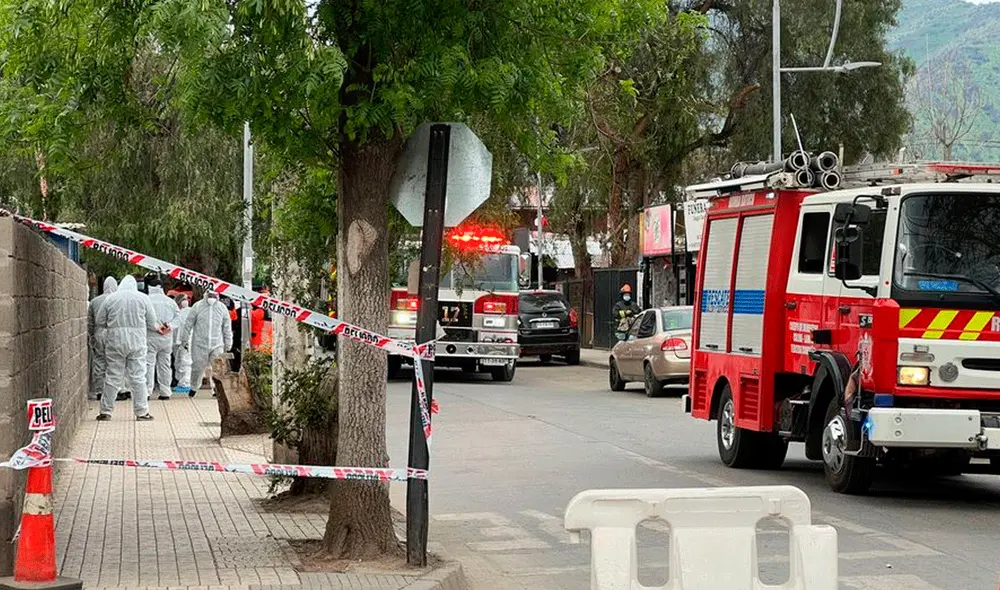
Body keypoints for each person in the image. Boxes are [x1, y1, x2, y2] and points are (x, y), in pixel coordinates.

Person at [96, 275, 167, 421]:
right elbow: (152, 321)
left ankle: (105, 411)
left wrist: (113, 326)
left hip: (114, 341)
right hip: (137, 341)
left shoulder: (111, 298)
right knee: (138, 377)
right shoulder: (143, 298)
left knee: (113, 376)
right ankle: (142, 412)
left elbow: (99, 320)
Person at [182, 290, 233, 398]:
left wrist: (228, 343)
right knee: (197, 367)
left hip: (217, 343)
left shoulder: (222, 308)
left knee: (217, 368)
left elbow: (227, 327)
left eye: (214, 295)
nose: (211, 297)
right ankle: (194, 387)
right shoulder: (197, 306)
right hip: (199, 343)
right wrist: (185, 340)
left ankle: (216, 389)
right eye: (210, 295)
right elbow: (188, 324)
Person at [145, 276, 180, 400]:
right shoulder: (170, 302)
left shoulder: (147, 300)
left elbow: (144, 317)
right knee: (165, 365)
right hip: (166, 338)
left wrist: (156, 327)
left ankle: (148, 391)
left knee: (149, 364)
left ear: (150, 287)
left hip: (150, 337)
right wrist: (169, 326)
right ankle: (165, 391)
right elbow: (178, 318)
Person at [87, 276, 118, 400]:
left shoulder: (95, 301)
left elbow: (90, 322)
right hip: (114, 333)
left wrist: (92, 336)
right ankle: (117, 391)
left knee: (100, 362)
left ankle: (100, 390)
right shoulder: (117, 299)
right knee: (115, 362)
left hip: (99, 333)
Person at [172, 294, 193, 395]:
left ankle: (186, 382)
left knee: (186, 361)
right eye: (183, 299)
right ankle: (181, 381)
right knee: (178, 362)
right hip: (177, 341)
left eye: (186, 299)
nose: (185, 301)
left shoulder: (191, 311)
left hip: (187, 340)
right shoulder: (177, 311)